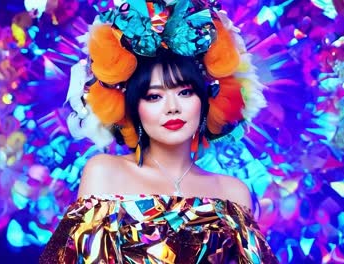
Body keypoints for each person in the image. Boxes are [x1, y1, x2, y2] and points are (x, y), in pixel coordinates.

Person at [40, 0, 278, 263]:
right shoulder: (104, 173)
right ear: (133, 107)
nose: (172, 108)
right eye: (154, 97)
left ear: (206, 99)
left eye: (185, 92)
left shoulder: (233, 193)